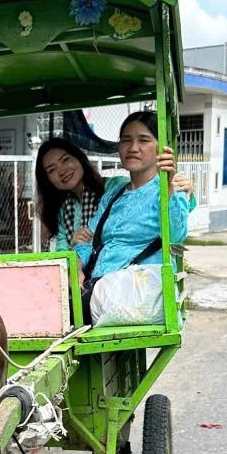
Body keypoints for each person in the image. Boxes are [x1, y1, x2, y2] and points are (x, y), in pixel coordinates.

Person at [75, 110, 194, 314]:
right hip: (99, 292)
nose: (133, 148)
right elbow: (89, 240)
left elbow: (175, 236)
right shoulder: (114, 193)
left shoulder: (171, 188)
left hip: (140, 292)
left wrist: (169, 190)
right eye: (126, 140)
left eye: (144, 140)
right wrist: (76, 269)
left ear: (161, 147)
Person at [35, 137, 106, 251]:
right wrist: (73, 245)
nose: (62, 171)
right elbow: (61, 254)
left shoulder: (111, 188)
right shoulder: (64, 209)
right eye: (52, 170)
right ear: (47, 180)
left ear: (79, 158)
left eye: (65, 160)